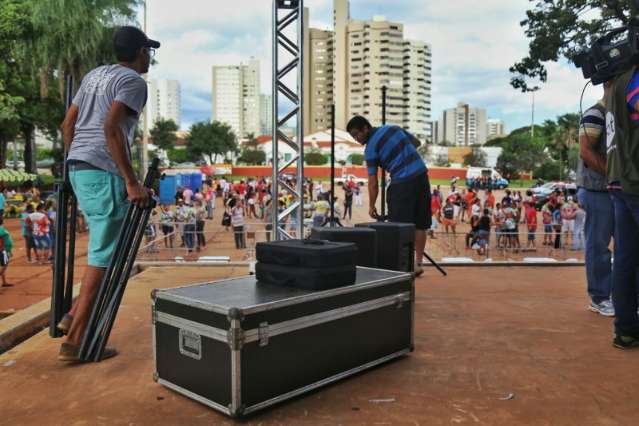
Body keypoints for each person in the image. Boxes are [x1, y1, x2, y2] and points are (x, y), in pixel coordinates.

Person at [57, 26, 160, 362]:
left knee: (101, 247)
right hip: (104, 171)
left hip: (79, 168)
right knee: (104, 255)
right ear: (141, 52)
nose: (150, 58)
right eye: (149, 52)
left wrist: (76, 161)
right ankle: (75, 341)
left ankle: (72, 315)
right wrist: (131, 181)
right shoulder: (133, 82)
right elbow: (112, 128)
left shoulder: (94, 76)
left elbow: (67, 126)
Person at [347, 115, 430, 276]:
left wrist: (371, 205)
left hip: (402, 183)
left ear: (366, 128)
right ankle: (418, 263)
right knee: (421, 223)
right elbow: (416, 143)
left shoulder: (370, 149)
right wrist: (399, 152)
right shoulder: (393, 128)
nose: (357, 139)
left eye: (357, 134)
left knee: (399, 227)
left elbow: (373, 182)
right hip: (421, 175)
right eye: (353, 137)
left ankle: (402, 269)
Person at [604, 67, 639, 347]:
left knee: (625, 260)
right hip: (634, 179)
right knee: (626, 260)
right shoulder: (634, 78)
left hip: (620, 179)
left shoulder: (617, 82)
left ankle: (626, 330)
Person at [576, 87, 614, 316]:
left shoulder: (616, 114)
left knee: (627, 247)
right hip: (597, 190)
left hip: (617, 191)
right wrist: (616, 175)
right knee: (598, 246)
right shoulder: (595, 114)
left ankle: (623, 296)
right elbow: (586, 152)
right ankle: (599, 297)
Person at [0, 218, 13, 289]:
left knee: (3, 265)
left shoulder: (2, 229)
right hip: (3, 250)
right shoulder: (1, 229)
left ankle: (4, 282)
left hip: (4, 250)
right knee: (4, 265)